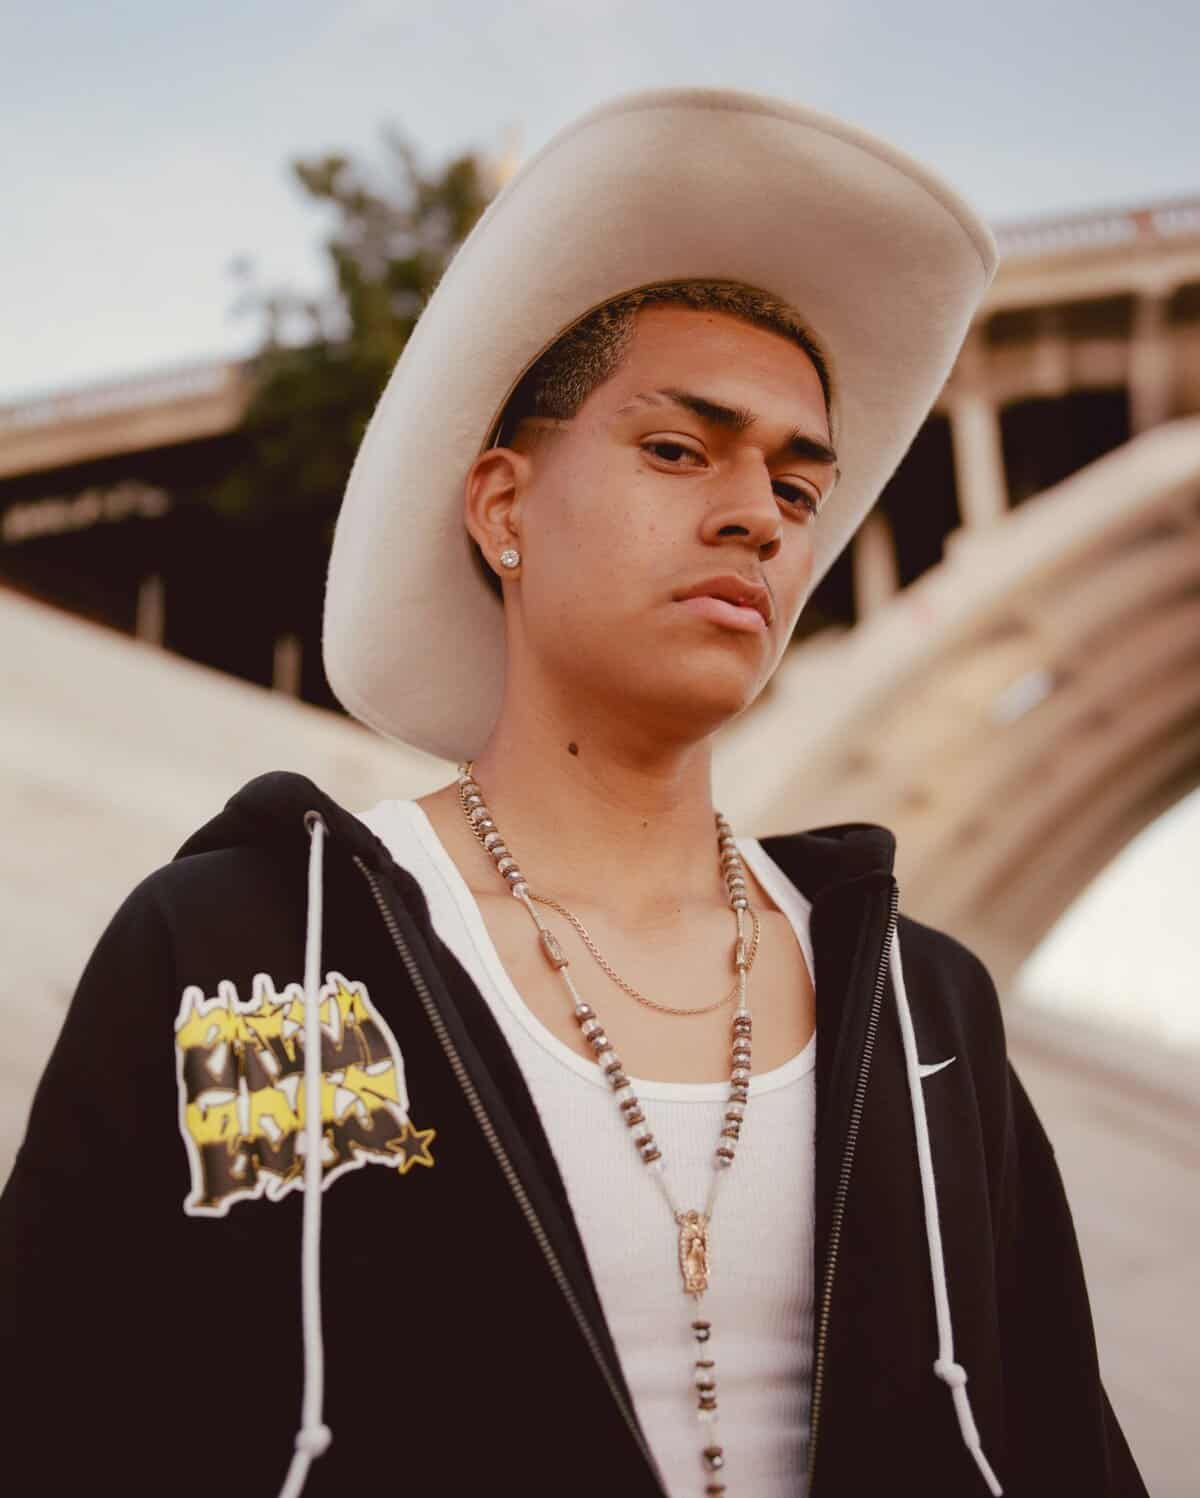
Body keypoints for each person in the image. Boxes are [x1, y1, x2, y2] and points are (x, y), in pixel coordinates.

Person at [0, 87, 1147, 1498]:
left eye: (799, 491)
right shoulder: (234, 953)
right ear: (502, 508)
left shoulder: (931, 1017)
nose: (757, 515)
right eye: (678, 449)